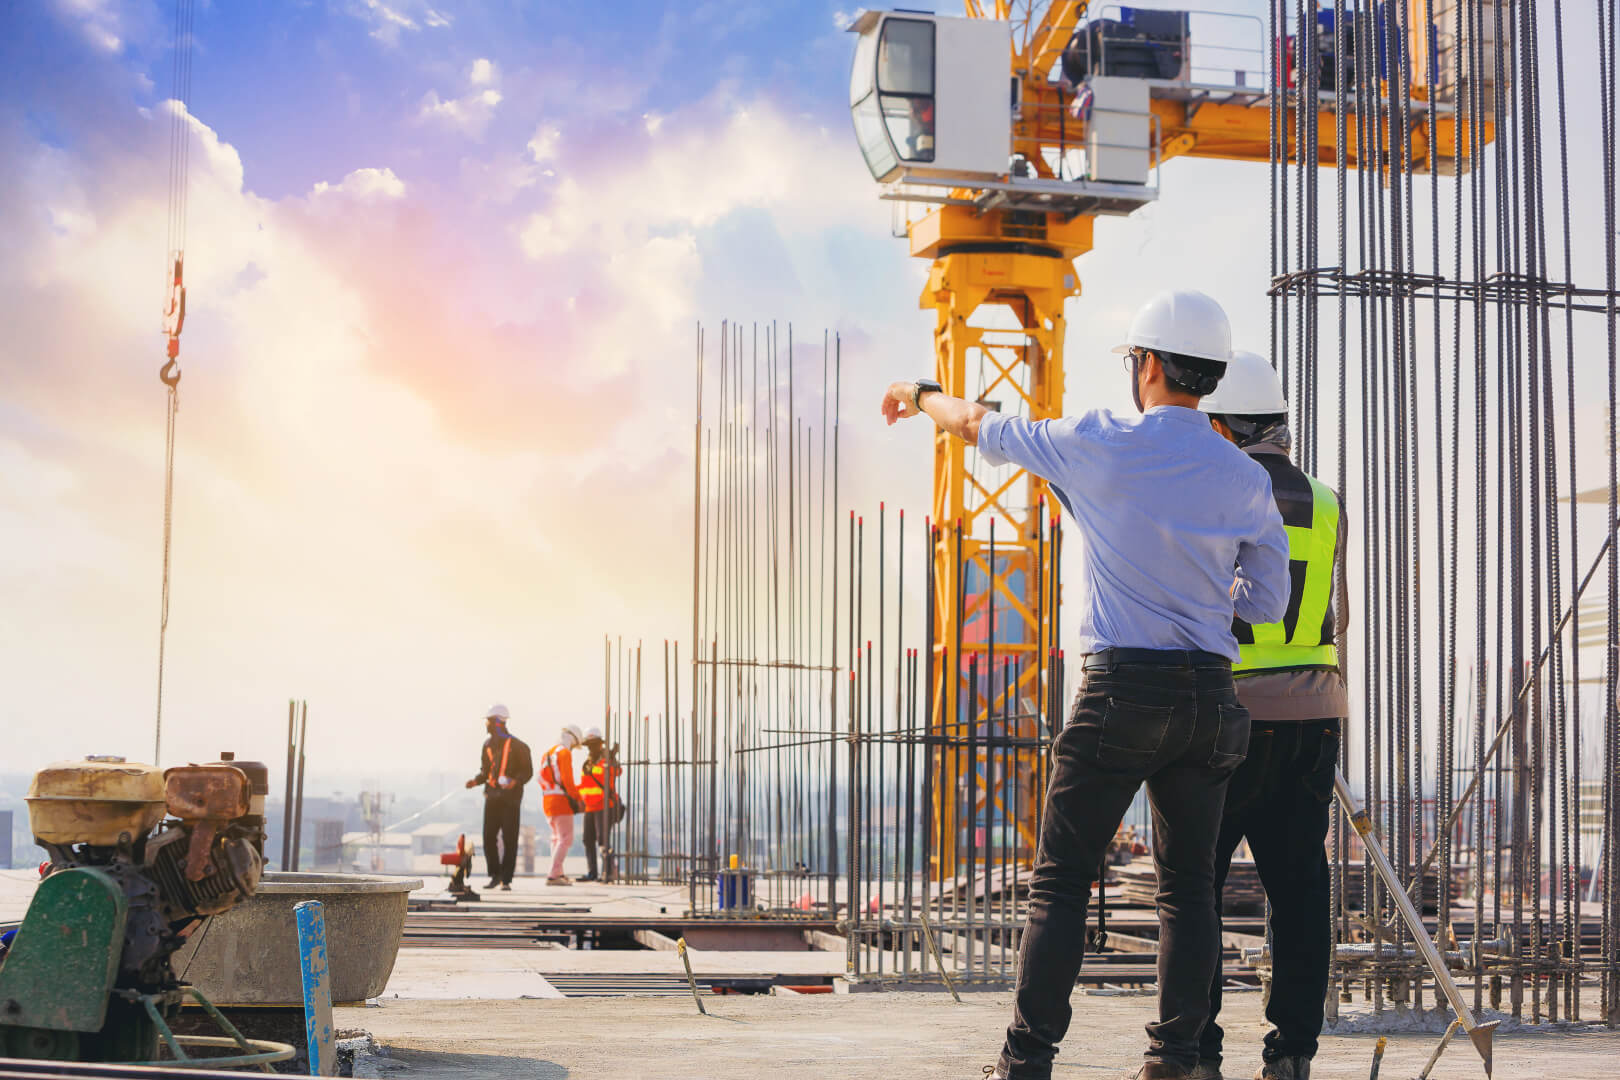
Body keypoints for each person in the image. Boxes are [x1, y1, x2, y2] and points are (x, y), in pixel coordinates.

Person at [881, 288, 1291, 1080]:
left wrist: (920, 392)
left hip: (1121, 691)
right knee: (1188, 891)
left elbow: (978, 426)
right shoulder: (1244, 476)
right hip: (1210, 698)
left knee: (1063, 882)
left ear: (1148, 366)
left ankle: (1026, 1062)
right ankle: (1175, 1061)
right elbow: (1266, 602)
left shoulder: (1101, 441)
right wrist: (1203, 607)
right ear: (1207, 376)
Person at [1197, 351, 1346, 1080]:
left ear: (1225, 427)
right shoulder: (1326, 499)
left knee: (1192, 885)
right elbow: (1335, 613)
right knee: (1298, 885)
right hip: (1315, 713)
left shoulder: (1216, 491)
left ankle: (1196, 1050)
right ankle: (1291, 1053)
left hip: (1227, 714)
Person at [463, 704, 533, 891]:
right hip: (492, 797)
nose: (486, 725)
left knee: (510, 838)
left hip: (511, 799)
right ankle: (494, 875)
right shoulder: (487, 746)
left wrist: (514, 781)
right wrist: (475, 781)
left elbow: (527, 772)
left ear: (497, 722)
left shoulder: (519, 746)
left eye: (488, 721)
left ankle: (506, 879)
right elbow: (485, 772)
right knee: (488, 837)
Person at [537, 725, 586, 886]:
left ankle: (558, 872)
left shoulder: (548, 754)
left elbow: (541, 778)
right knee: (566, 838)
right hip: (561, 802)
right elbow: (567, 779)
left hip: (548, 801)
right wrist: (578, 798)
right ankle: (553, 875)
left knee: (556, 838)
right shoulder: (564, 753)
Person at [577, 727, 623, 884]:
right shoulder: (587, 764)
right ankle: (592, 872)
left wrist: (612, 757)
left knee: (603, 840)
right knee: (587, 840)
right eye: (589, 745)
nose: (591, 748)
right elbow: (584, 785)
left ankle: (609, 872)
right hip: (590, 807)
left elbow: (617, 772)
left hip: (604, 806)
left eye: (593, 744)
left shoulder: (606, 761)